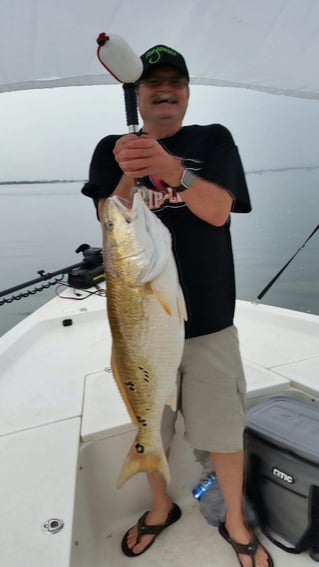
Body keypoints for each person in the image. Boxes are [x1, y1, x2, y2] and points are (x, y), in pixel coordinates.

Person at [82, 44, 273, 567]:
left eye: (175, 82)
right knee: (151, 426)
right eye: (152, 82)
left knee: (224, 430)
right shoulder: (110, 146)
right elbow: (110, 215)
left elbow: (217, 213)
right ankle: (161, 508)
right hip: (140, 326)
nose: (164, 90)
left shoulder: (214, 141)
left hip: (210, 319)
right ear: (138, 94)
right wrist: (128, 168)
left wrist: (172, 170)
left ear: (186, 93)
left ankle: (235, 520)